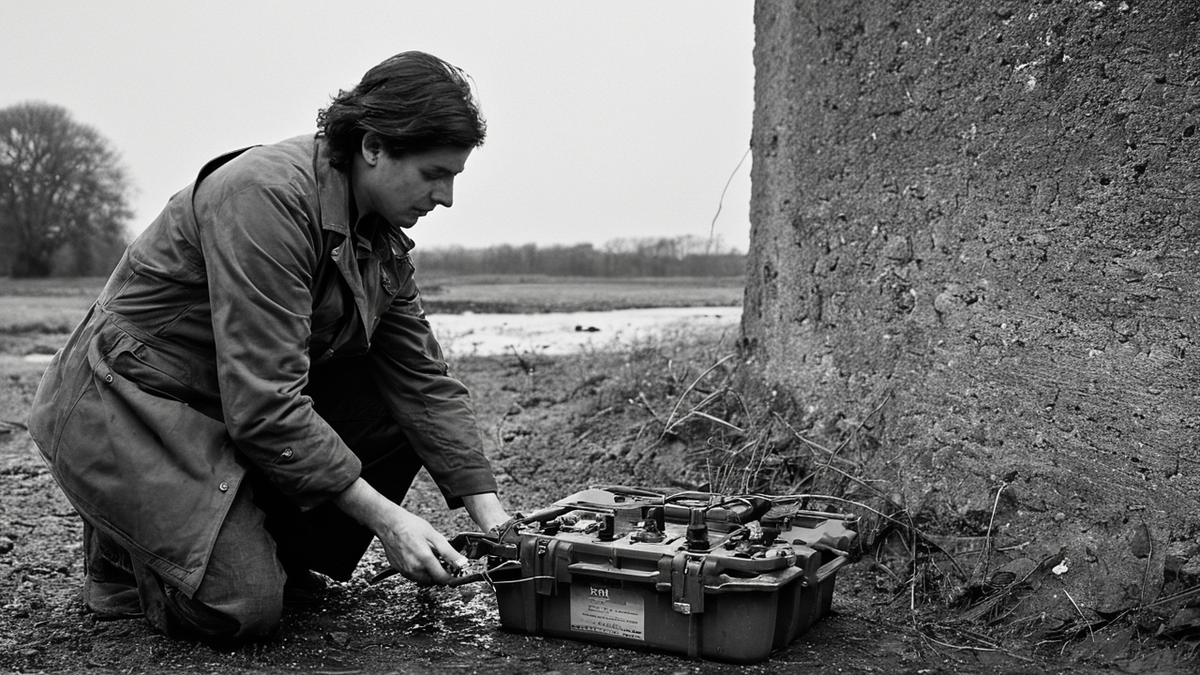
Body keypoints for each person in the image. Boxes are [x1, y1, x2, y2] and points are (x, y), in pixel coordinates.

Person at [27, 51, 511, 644]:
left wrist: (498, 526)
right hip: (128, 403)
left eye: (454, 176)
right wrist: (389, 520)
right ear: (373, 147)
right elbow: (265, 405)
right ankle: (123, 556)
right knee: (243, 608)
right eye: (434, 173)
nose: (447, 196)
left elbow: (422, 382)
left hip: (220, 404)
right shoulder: (265, 198)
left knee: (393, 402)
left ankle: (265, 553)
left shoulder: (378, 234)